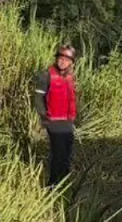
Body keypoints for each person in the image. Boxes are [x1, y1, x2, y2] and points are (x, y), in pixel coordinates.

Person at [33, 44, 78, 188]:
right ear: (56, 59)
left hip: (67, 120)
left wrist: (73, 118)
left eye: (66, 59)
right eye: (60, 58)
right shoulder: (46, 75)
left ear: (71, 62)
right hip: (53, 120)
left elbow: (71, 98)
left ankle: (64, 181)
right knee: (58, 153)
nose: (62, 61)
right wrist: (43, 117)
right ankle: (51, 184)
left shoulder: (70, 76)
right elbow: (38, 99)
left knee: (67, 151)